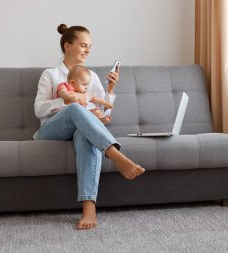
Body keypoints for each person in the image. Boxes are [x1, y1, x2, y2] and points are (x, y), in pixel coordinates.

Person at [33, 23, 145, 230]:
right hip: (50, 131)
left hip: (81, 130)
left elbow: (103, 115)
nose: (87, 50)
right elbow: (39, 110)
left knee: (85, 134)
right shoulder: (50, 74)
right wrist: (67, 101)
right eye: (83, 45)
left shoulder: (91, 76)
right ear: (67, 46)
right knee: (76, 109)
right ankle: (115, 154)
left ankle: (89, 208)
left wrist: (110, 89)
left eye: (90, 47)